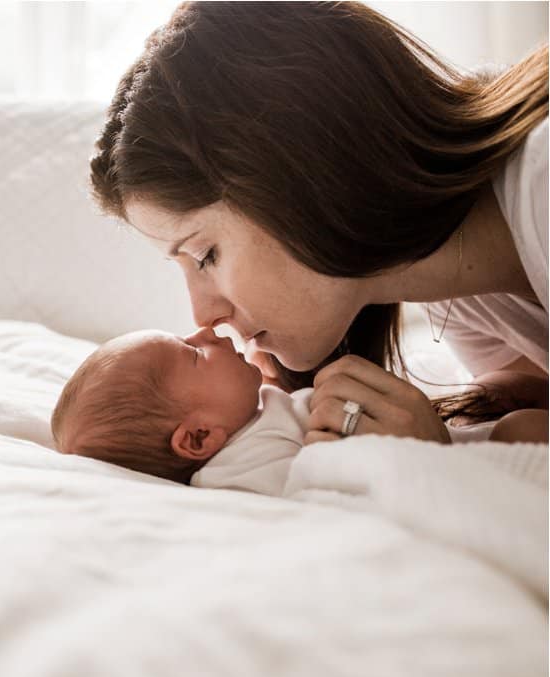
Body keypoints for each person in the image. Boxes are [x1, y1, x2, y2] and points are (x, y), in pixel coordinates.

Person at [88, 2, 548, 444]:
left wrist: (441, 463)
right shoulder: (448, 272)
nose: (204, 316)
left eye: (206, 255)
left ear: (301, 174)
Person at [51, 326, 311, 492]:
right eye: (196, 353)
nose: (206, 332)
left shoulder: (253, 418)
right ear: (199, 437)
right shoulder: (247, 474)